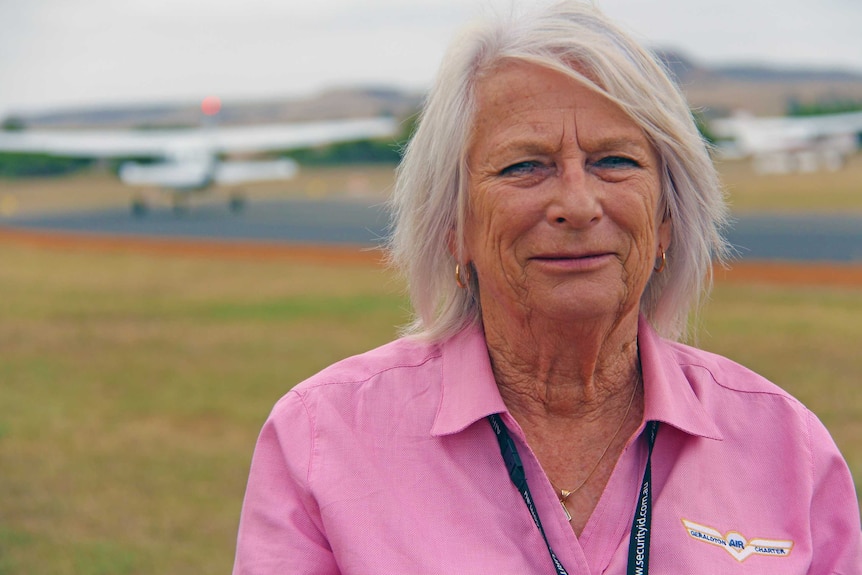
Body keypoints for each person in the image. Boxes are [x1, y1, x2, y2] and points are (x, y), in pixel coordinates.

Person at [232, 2, 861, 573]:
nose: (577, 203)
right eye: (524, 165)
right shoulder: (324, 438)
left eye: (615, 160)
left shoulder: (786, 450)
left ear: (667, 215)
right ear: (454, 226)